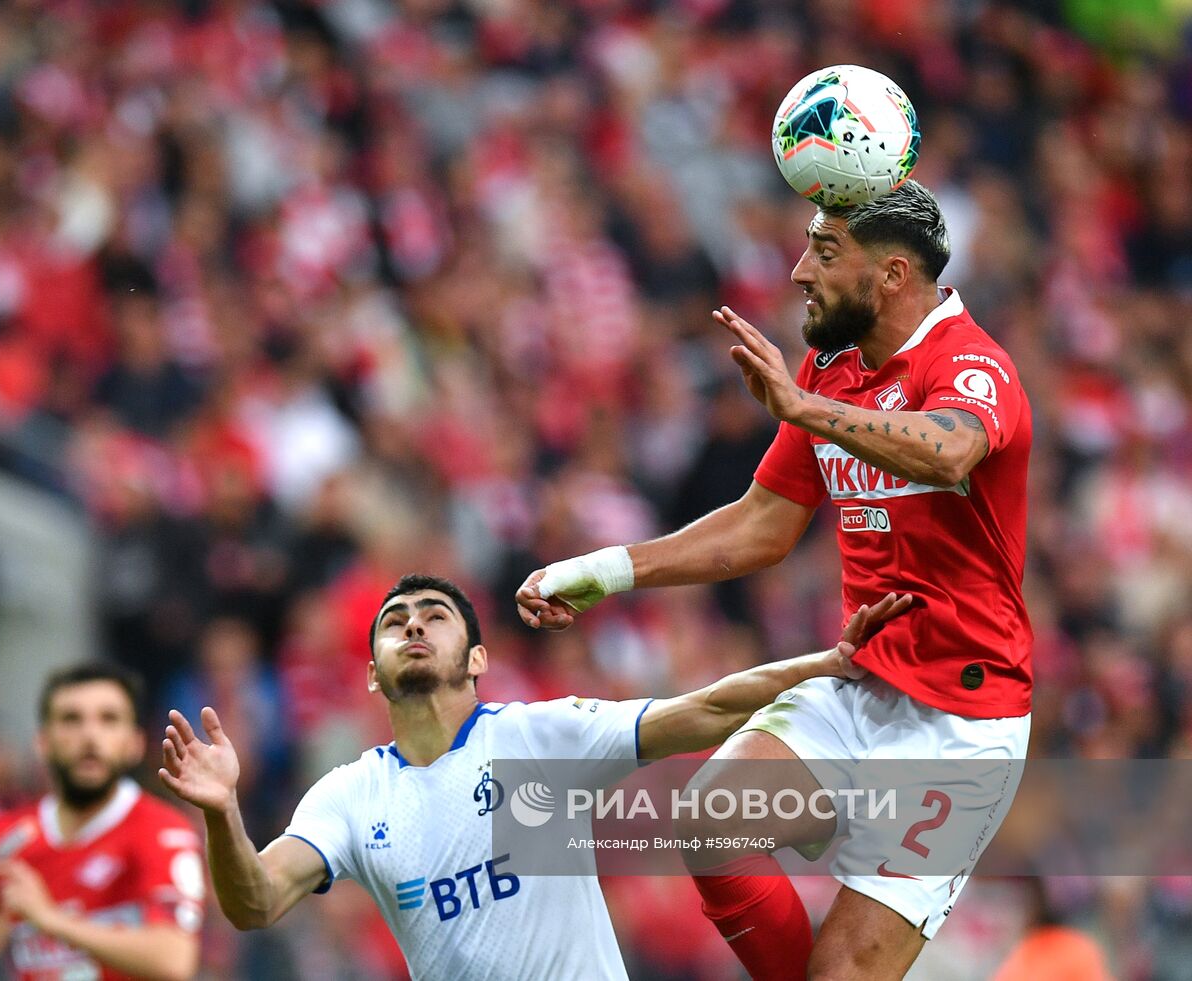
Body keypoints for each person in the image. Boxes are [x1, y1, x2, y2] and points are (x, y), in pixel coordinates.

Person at [515, 180, 1033, 980]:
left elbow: (950, 450)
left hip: (959, 724)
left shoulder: (969, 363)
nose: (798, 271)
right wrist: (604, 570)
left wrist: (802, 407)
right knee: (710, 820)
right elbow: (762, 524)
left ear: (892, 275)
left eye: (825, 252)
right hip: (861, 681)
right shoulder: (831, 368)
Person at [158, 572, 910, 981]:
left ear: (478, 659)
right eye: (394, 620)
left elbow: (706, 708)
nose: (412, 625)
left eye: (433, 615)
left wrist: (827, 665)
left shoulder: (537, 738)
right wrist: (223, 810)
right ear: (370, 675)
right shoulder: (349, 794)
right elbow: (253, 904)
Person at [0, 665, 204, 981]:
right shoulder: (3, 839)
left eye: (108, 719)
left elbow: (174, 958)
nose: (90, 736)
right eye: (71, 719)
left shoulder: (163, 832)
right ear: (43, 742)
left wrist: (50, 919)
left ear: (135, 743)